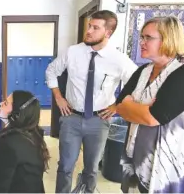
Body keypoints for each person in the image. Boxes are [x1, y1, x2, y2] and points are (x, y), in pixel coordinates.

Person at [115, 16, 184, 193]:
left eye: (148, 38)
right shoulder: (143, 71)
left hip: (174, 161)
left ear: (168, 39)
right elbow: (119, 106)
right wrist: (138, 108)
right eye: (142, 37)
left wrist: (131, 105)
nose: (142, 42)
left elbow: (153, 117)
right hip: (139, 154)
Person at [46, 10, 138, 193]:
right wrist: (58, 97)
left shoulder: (118, 59)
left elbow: (136, 84)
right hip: (71, 117)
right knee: (65, 166)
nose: (88, 31)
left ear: (108, 33)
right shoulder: (73, 52)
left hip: (99, 120)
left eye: (95, 28)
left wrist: (117, 106)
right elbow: (51, 71)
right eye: (89, 26)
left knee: (91, 168)